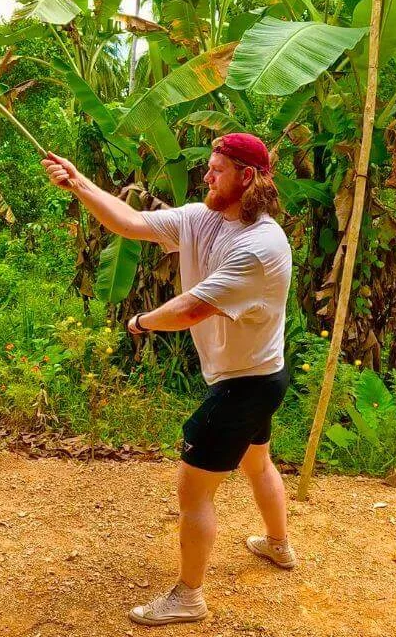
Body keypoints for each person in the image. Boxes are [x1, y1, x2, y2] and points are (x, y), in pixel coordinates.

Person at [42, 133, 294, 626]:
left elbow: (192, 309)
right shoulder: (202, 217)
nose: (207, 177)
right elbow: (130, 222)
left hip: (245, 385)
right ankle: (278, 544)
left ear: (247, 177)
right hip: (261, 374)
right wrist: (78, 183)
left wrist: (141, 321)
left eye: (217, 170)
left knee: (194, 492)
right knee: (257, 461)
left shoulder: (261, 246)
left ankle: (188, 596)